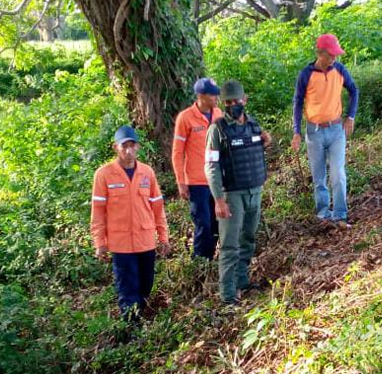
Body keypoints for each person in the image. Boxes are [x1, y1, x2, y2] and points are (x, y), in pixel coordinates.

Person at [91, 125, 170, 321]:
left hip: (145, 241)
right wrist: (100, 243)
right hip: (121, 244)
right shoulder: (104, 174)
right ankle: (131, 330)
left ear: (138, 147)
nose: (129, 151)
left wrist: (163, 237)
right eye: (124, 146)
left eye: (132, 146)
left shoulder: (147, 172)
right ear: (115, 147)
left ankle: (142, 320)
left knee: (146, 285)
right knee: (127, 289)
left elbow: (157, 207)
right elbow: (98, 212)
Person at [204, 80, 271, 305]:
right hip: (232, 194)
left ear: (245, 100)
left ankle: (242, 280)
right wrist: (218, 199)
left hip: (255, 190)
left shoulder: (254, 125)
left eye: (237, 101)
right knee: (230, 245)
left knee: (248, 239)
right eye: (229, 102)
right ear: (223, 104)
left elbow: (255, 150)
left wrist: (266, 141)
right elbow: (211, 166)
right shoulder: (217, 130)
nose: (234, 105)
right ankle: (228, 293)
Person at [291, 34, 359, 228]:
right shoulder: (306, 74)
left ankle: (340, 215)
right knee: (319, 177)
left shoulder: (340, 70)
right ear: (320, 53)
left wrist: (351, 116)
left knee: (338, 172)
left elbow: (354, 90)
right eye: (330, 55)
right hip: (314, 132)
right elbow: (297, 102)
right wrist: (296, 131)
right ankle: (323, 215)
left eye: (336, 55)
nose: (334, 58)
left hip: (336, 129)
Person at [172, 78, 223, 260]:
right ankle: (200, 264)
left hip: (217, 180)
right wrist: (181, 181)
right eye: (212, 94)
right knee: (203, 225)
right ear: (201, 96)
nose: (216, 97)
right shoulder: (185, 118)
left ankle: (211, 262)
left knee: (218, 224)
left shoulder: (218, 114)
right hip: (197, 182)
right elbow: (177, 152)